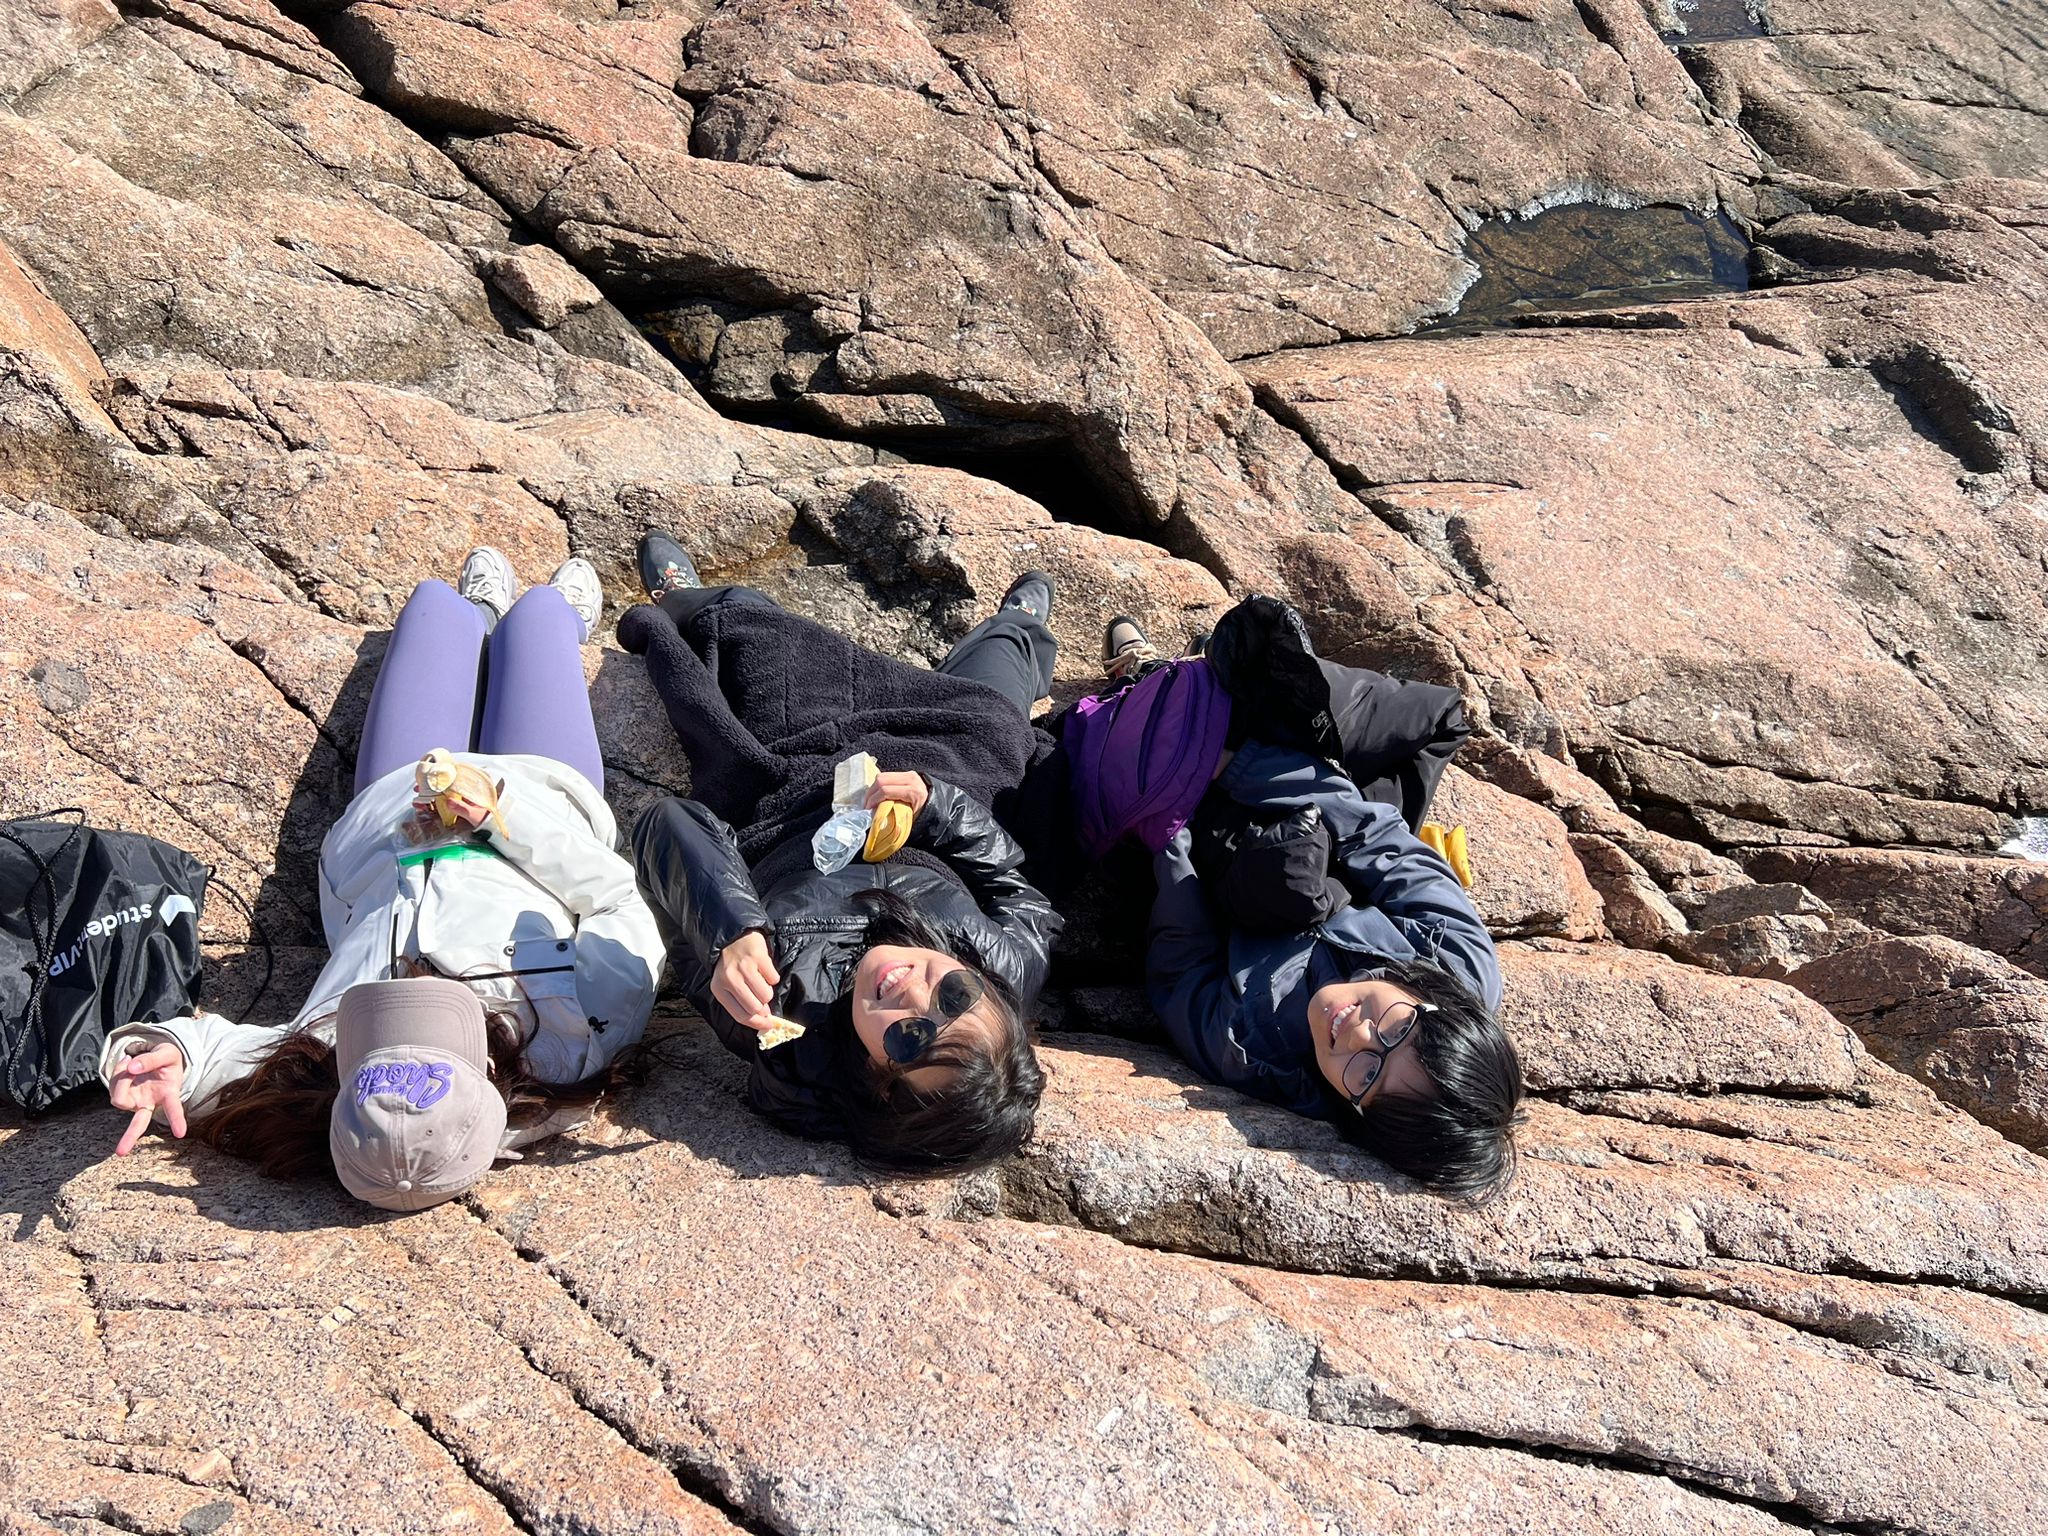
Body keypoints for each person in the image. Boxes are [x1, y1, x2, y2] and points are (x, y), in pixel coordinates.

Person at [100, 549, 665, 1211]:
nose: (410, 995)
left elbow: (206, 1051)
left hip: (394, 807)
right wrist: (501, 818)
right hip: (536, 791)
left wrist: (155, 1055)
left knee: (434, 603)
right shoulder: (583, 1029)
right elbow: (614, 897)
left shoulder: (328, 1062)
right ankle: (549, 620)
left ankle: (481, 612)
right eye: (439, 1023)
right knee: (539, 618)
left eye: (384, 1026)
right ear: (495, 1090)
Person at [620, 532, 1059, 1177]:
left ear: (874, 1081)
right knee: (996, 711)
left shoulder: (773, 1014)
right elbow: (1016, 887)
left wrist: (730, 933)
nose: (915, 994)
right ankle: (1021, 627)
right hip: (926, 779)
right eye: (956, 996)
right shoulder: (1007, 968)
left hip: (792, 790)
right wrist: (936, 803)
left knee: (760, 639)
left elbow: (668, 824)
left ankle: (685, 598)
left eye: (911, 1040)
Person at [1079, 611, 1523, 1200]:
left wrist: (1173, 829)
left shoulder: (1257, 1053)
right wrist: (1236, 764)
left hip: (1221, 861)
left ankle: (1150, 684)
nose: (1357, 1036)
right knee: (1432, 716)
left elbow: (1181, 966)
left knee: (1164, 771)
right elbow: (1378, 840)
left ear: (1356, 1115)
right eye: (1395, 1028)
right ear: (1435, 1006)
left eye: (1367, 1077)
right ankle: (1205, 683)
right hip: (1322, 824)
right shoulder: (1461, 966)